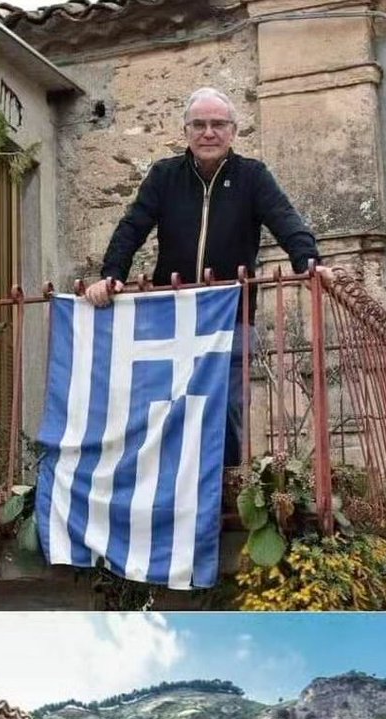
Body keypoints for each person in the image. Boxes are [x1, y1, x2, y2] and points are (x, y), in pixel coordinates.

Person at [84, 86, 332, 465]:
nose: (208, 133)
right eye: (198, 124)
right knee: (165, 408)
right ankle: (167, 489)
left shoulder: (253, 177)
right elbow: (132, 226)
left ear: (233, 131)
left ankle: (225, 490)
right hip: (171, 317)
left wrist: (309, 263)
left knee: (229, 407)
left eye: (218, 124)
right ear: (186, 131)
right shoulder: (165, 176)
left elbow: (286, 221)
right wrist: (113, 274)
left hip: (230, 317)